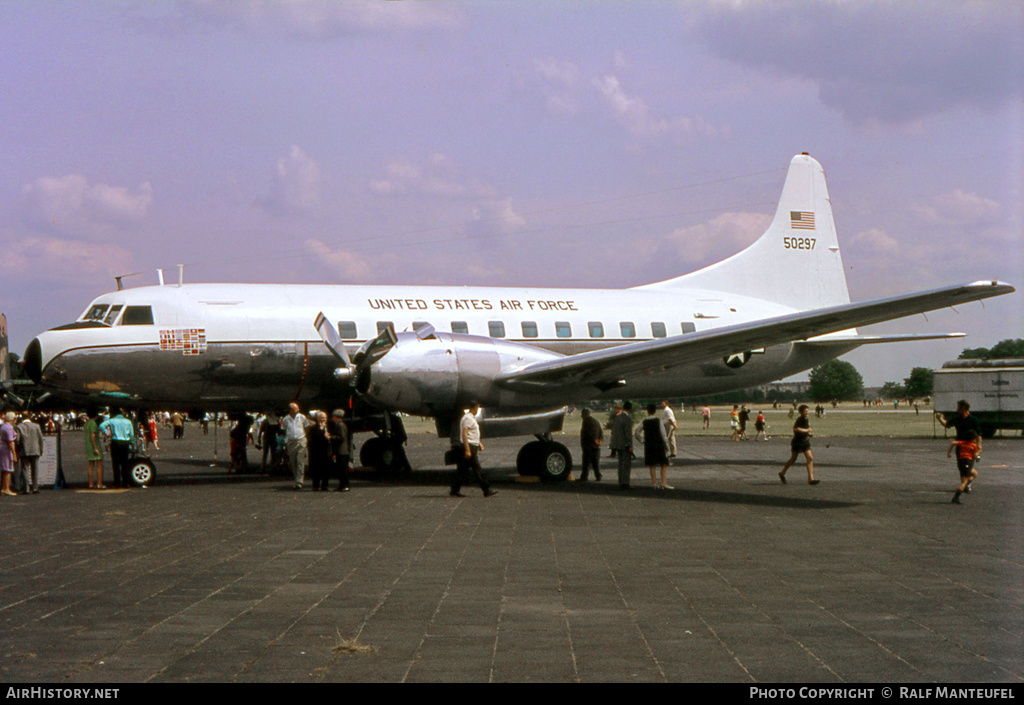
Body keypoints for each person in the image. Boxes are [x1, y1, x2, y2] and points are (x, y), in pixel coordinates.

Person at [450, 401, 496, 497]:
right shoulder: (467, 419)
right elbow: (464, 434)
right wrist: (467, 450)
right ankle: (486, 489)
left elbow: (473, 432)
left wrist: (479, 443)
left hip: (472, 445)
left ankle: (454, 490)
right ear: (473, 408)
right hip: (469, 446)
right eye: (477, 408)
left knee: (462, 470)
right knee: (477, 469)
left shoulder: (471, 418)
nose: (477, 410)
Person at [779, 405, 819, 485]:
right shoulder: (800, 419)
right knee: (793, 459)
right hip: (797, 442)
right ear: (801, 412)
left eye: (807, 411)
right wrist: (807, 430)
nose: (807, 412)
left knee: (810, 458)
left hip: (805, 442)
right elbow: (796, 429)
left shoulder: (806, 419)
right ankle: (782, 473)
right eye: (805, 411)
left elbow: (803, 431)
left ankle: (811, 478)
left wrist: (808, 434)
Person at [637, 403, 671, 489]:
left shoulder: (645, 422)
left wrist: (642, 440)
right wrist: (666, 445)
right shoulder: (658, 421)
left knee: (652, 464)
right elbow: (663, 434)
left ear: (647, 411)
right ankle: (663, 482)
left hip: (649, 445)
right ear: (655, 411)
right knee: (663, 464)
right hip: (658, 444)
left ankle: (654, 483)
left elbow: (637, 433)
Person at [100, 409, 135, 488]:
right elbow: (132, 434)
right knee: (124, 463)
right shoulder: (128, 421)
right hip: (125, 443)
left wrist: (107, 433)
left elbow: (101, 426)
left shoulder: (112, 420)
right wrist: (131, 442)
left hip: (115, 442)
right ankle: (125, 482)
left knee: (115, 463)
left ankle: (117, 482)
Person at [282, 402, 311, 489]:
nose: (298, 410)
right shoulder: (285, 419)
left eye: (298, 408)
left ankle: (299, 481)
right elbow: (283, 429)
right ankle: (296, 478)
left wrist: (304, 436)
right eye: (295, 409)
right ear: (290, 410)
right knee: (293, 462)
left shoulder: (302, 417)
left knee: (300, 460)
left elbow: (307, 426)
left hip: (301, 440)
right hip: (291, 442)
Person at [15, 413, 44, 494]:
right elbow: (40, 439)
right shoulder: (36, 426)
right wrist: (41, 450)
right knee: (35, 469)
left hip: (24, 450)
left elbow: (17, 440)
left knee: (25, 469)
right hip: (35, 450)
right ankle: (35, 488)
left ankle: (26, 489)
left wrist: (18, 449)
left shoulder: (19, 426)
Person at [948, 429, 980, 504]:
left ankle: (965, 486)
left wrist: (949, 452)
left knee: (975, 473)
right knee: (964, 481)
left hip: (961, 462)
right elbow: (975, 456)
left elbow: (953, 443)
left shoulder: (961, 443)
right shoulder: (973, 446)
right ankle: (956, 496)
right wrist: (979, 451)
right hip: (967, 462)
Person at [609, 401, 634, 490]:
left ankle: (620, 480)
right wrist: (630, 445)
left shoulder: (618, 418)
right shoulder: (627, 419)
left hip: (617, 444)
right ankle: (625, 482)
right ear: (630, 409)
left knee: (620, 463)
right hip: (625, 444)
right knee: (626, 464)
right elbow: (628, 434)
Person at [307, 411, 332, 491]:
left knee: (326, 469)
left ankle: (325, 485)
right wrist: (322, 431)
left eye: (325, 418)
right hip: (317, 452)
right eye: (322, 418)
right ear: (318, 419)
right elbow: (313, 439)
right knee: (316, 469)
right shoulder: (314, 428)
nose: (324, 419)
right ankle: (315, 485)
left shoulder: (328, 427)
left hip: (326, 451)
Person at [578, 408, 603, 481]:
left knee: (586, 463)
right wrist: (599, 440)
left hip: (588, 446)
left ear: (584, 415)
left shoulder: (586, 422)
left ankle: (584, 477)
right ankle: (598, 476)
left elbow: (587, 433)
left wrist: (592, 440)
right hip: (596, 446)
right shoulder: (596, 421)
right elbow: (600, 432)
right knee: (596, 462)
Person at [83, 408, 105, 489]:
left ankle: (91, 483)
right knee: (99, 465)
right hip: (94, 445)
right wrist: (96, 448)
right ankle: (99, 483)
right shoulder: (93, 424)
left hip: (88, 446)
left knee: (90, 466)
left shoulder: (86, 424)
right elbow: (93, 436)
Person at [330, 409, 350, 492]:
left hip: (342, 451)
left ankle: (345, 485)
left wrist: (331, 437)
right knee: (341, 470)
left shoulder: (340, 425)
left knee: (343, 470)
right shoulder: (340, 425)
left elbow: (341, 437)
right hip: (341, 451)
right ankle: (342, 485)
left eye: (333, 416)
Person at [1, 412, 18, 496]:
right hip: (7, 450)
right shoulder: (8, 428)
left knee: (4, 469)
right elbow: (10, 442)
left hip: (3, 448)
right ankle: (6, 488)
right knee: (8, 469)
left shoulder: (4, 426)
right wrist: (14, 453)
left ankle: (4, 487)